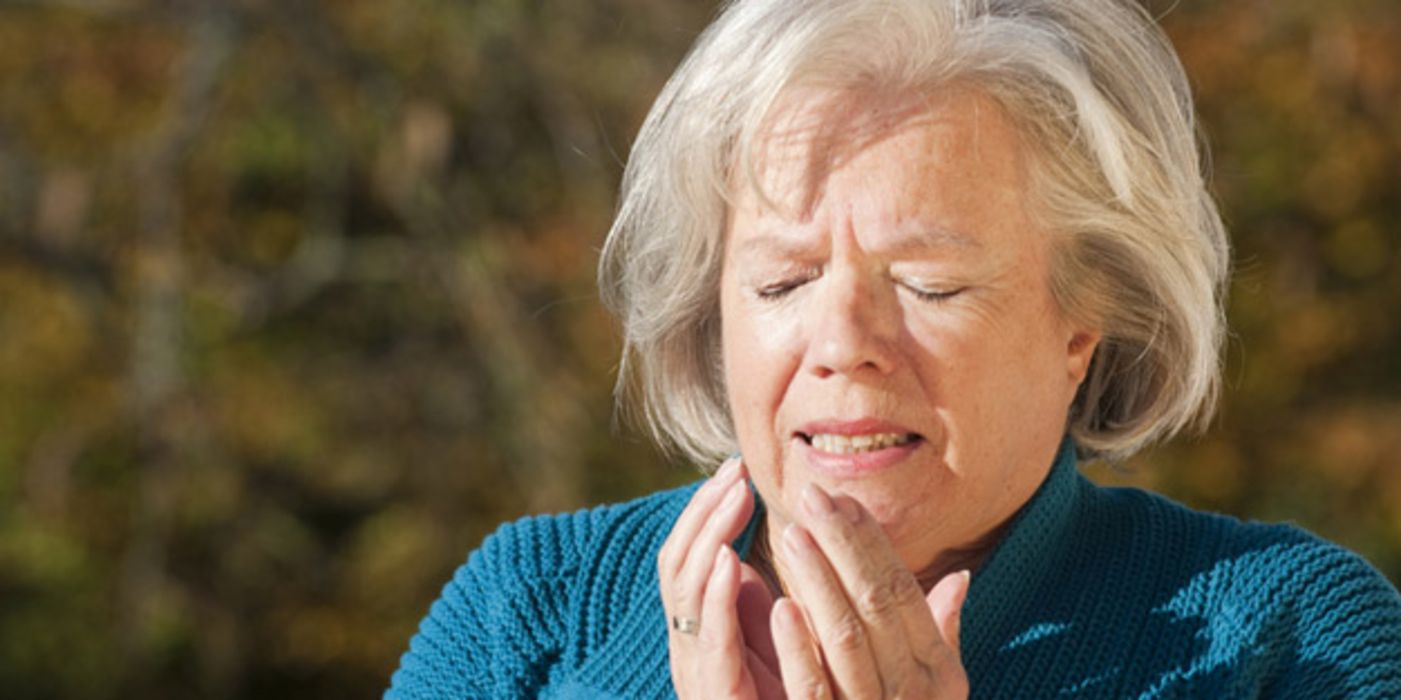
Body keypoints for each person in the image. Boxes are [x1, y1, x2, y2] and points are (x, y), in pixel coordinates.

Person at [386, 0, 1401, 697]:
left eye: (929, 285)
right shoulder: (533, 608)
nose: (842, 345)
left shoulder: (1297, 638)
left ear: (1082, 327)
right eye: (782, 282)